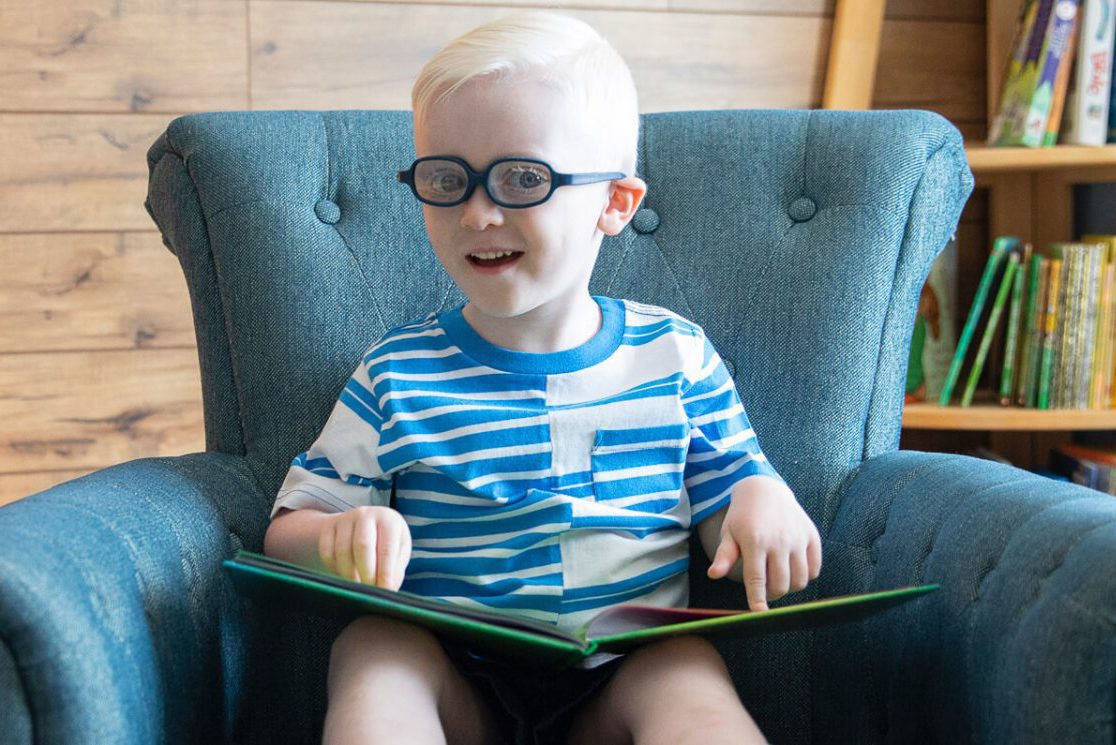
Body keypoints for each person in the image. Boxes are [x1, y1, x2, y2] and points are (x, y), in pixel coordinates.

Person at [263, 10, 822, 745]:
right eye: (446, 178)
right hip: (460, 688)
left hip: (616, 684)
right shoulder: (396, 371)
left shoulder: (676, 355)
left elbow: (728, 513)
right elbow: (285, 531)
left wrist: (759, 497)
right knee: (374, 646)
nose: (477, 212)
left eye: (523, 178)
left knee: (686, 665)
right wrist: (336, 533)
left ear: (614, 203)